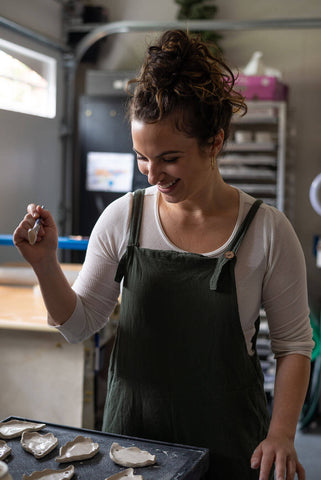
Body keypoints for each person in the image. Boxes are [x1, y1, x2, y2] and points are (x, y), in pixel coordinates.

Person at [13, 30, 313, 480]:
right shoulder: (123, 218)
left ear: (214, 142)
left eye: (169, 158)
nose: (153, 175)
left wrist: (283, 434)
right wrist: (44, 264)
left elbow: (294, 348)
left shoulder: (268, 230)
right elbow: (78, 326)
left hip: (230, 443)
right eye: (141, 158)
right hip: (130, 442)